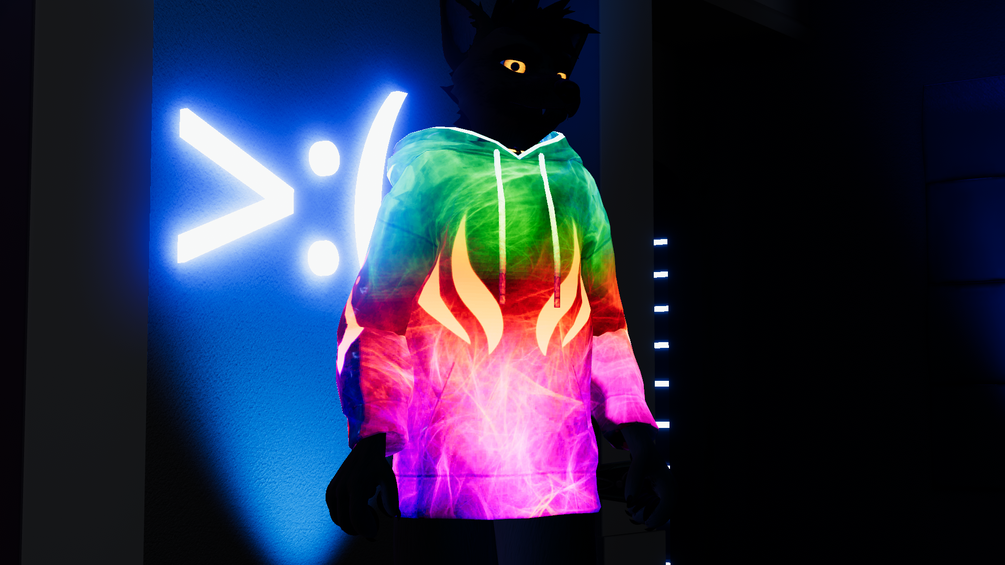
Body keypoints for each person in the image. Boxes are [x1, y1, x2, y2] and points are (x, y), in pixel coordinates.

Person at [327, 2, 671, 563]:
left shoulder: (574, 183)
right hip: (442, 478)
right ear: (465, 69)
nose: (548, 85)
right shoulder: (433, 173)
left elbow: (605, 324)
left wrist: (641, 437)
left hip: (558, 478)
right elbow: (379, 317)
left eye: (557, 72)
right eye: (515, 65)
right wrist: (371, 441)